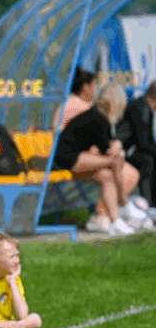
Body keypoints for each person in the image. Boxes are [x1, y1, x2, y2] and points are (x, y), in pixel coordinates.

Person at [53, 83, 141, 236]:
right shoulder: (98, 119)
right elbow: (108, 150)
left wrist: (116, 146)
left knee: (107, 176)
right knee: (115, 161)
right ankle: (124, 203)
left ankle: (114, 219)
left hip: (73, 157)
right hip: (66, 159)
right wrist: (116, 148)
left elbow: (107, 145)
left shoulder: (96, 116)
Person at [117, 81, 156, 205]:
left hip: (132, 149)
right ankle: (149, 204)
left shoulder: (146, 107)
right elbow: (143, 143)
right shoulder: (140, 108)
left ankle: (152, 203)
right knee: (147, 161)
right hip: (123, 151)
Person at [52, 66, 97, 133]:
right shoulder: (82, 107)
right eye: (94, 86)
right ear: (86, 87)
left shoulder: (69, 101)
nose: (96, 90)